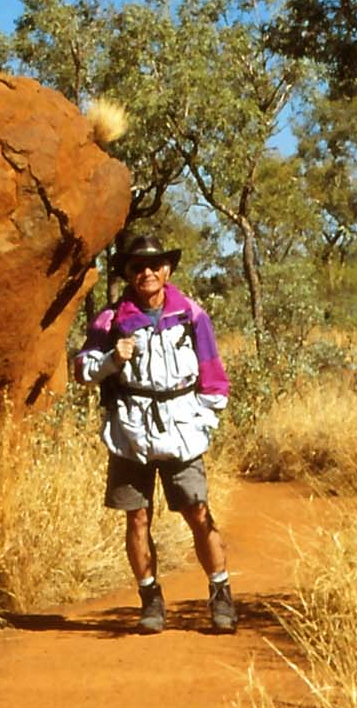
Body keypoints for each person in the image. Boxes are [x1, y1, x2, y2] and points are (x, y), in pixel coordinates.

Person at [72, 234, 236, 634]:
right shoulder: (108, 322)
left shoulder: (192, 316)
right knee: (138, 516)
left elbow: (214, 378)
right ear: (127, 273)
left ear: (168, 270)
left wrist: (202, 423)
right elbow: (81, 370)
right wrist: (112, 359)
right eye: (136, 266)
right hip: (130, 432)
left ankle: (221, 596)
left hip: (182, 430)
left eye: (154, 264)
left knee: (197, 512)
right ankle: (151, 600)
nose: (147, 272)